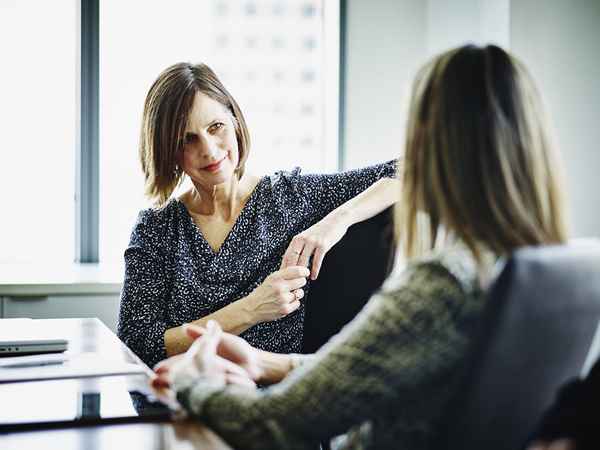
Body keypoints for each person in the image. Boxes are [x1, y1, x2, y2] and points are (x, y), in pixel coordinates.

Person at [151, 44, 568, 450]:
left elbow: (270, 425)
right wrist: (269, 362)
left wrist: (193, 382)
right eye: (187, 139)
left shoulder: (441, 284)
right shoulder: (549, 275)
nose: (207, 148)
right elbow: (391, 366)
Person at [117, 62, 399, 368]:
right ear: (167, 150)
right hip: (179, 399)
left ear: (235, 121)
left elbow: (413, 169)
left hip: (274, 398)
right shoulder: (156, 228)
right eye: (188, 139)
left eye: (216, 127)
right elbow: (138, 343)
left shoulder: (290, 197)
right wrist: (251, 309)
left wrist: (335, 221)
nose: (209, 150)